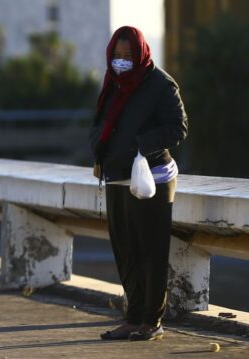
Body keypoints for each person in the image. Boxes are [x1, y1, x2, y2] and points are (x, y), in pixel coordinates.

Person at [89, 26, 188, 341]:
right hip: (117, 176)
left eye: (127, 56)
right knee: (125, 249)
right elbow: (102, 123)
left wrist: (140, 146)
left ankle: (151, 321)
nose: (121, 62)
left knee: (150, 250)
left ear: (141, 54)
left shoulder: (159, 84)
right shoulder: (113, 84)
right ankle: (132, 317)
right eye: (116, 56)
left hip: (152, 177)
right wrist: (100, 149)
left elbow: (178, 127)